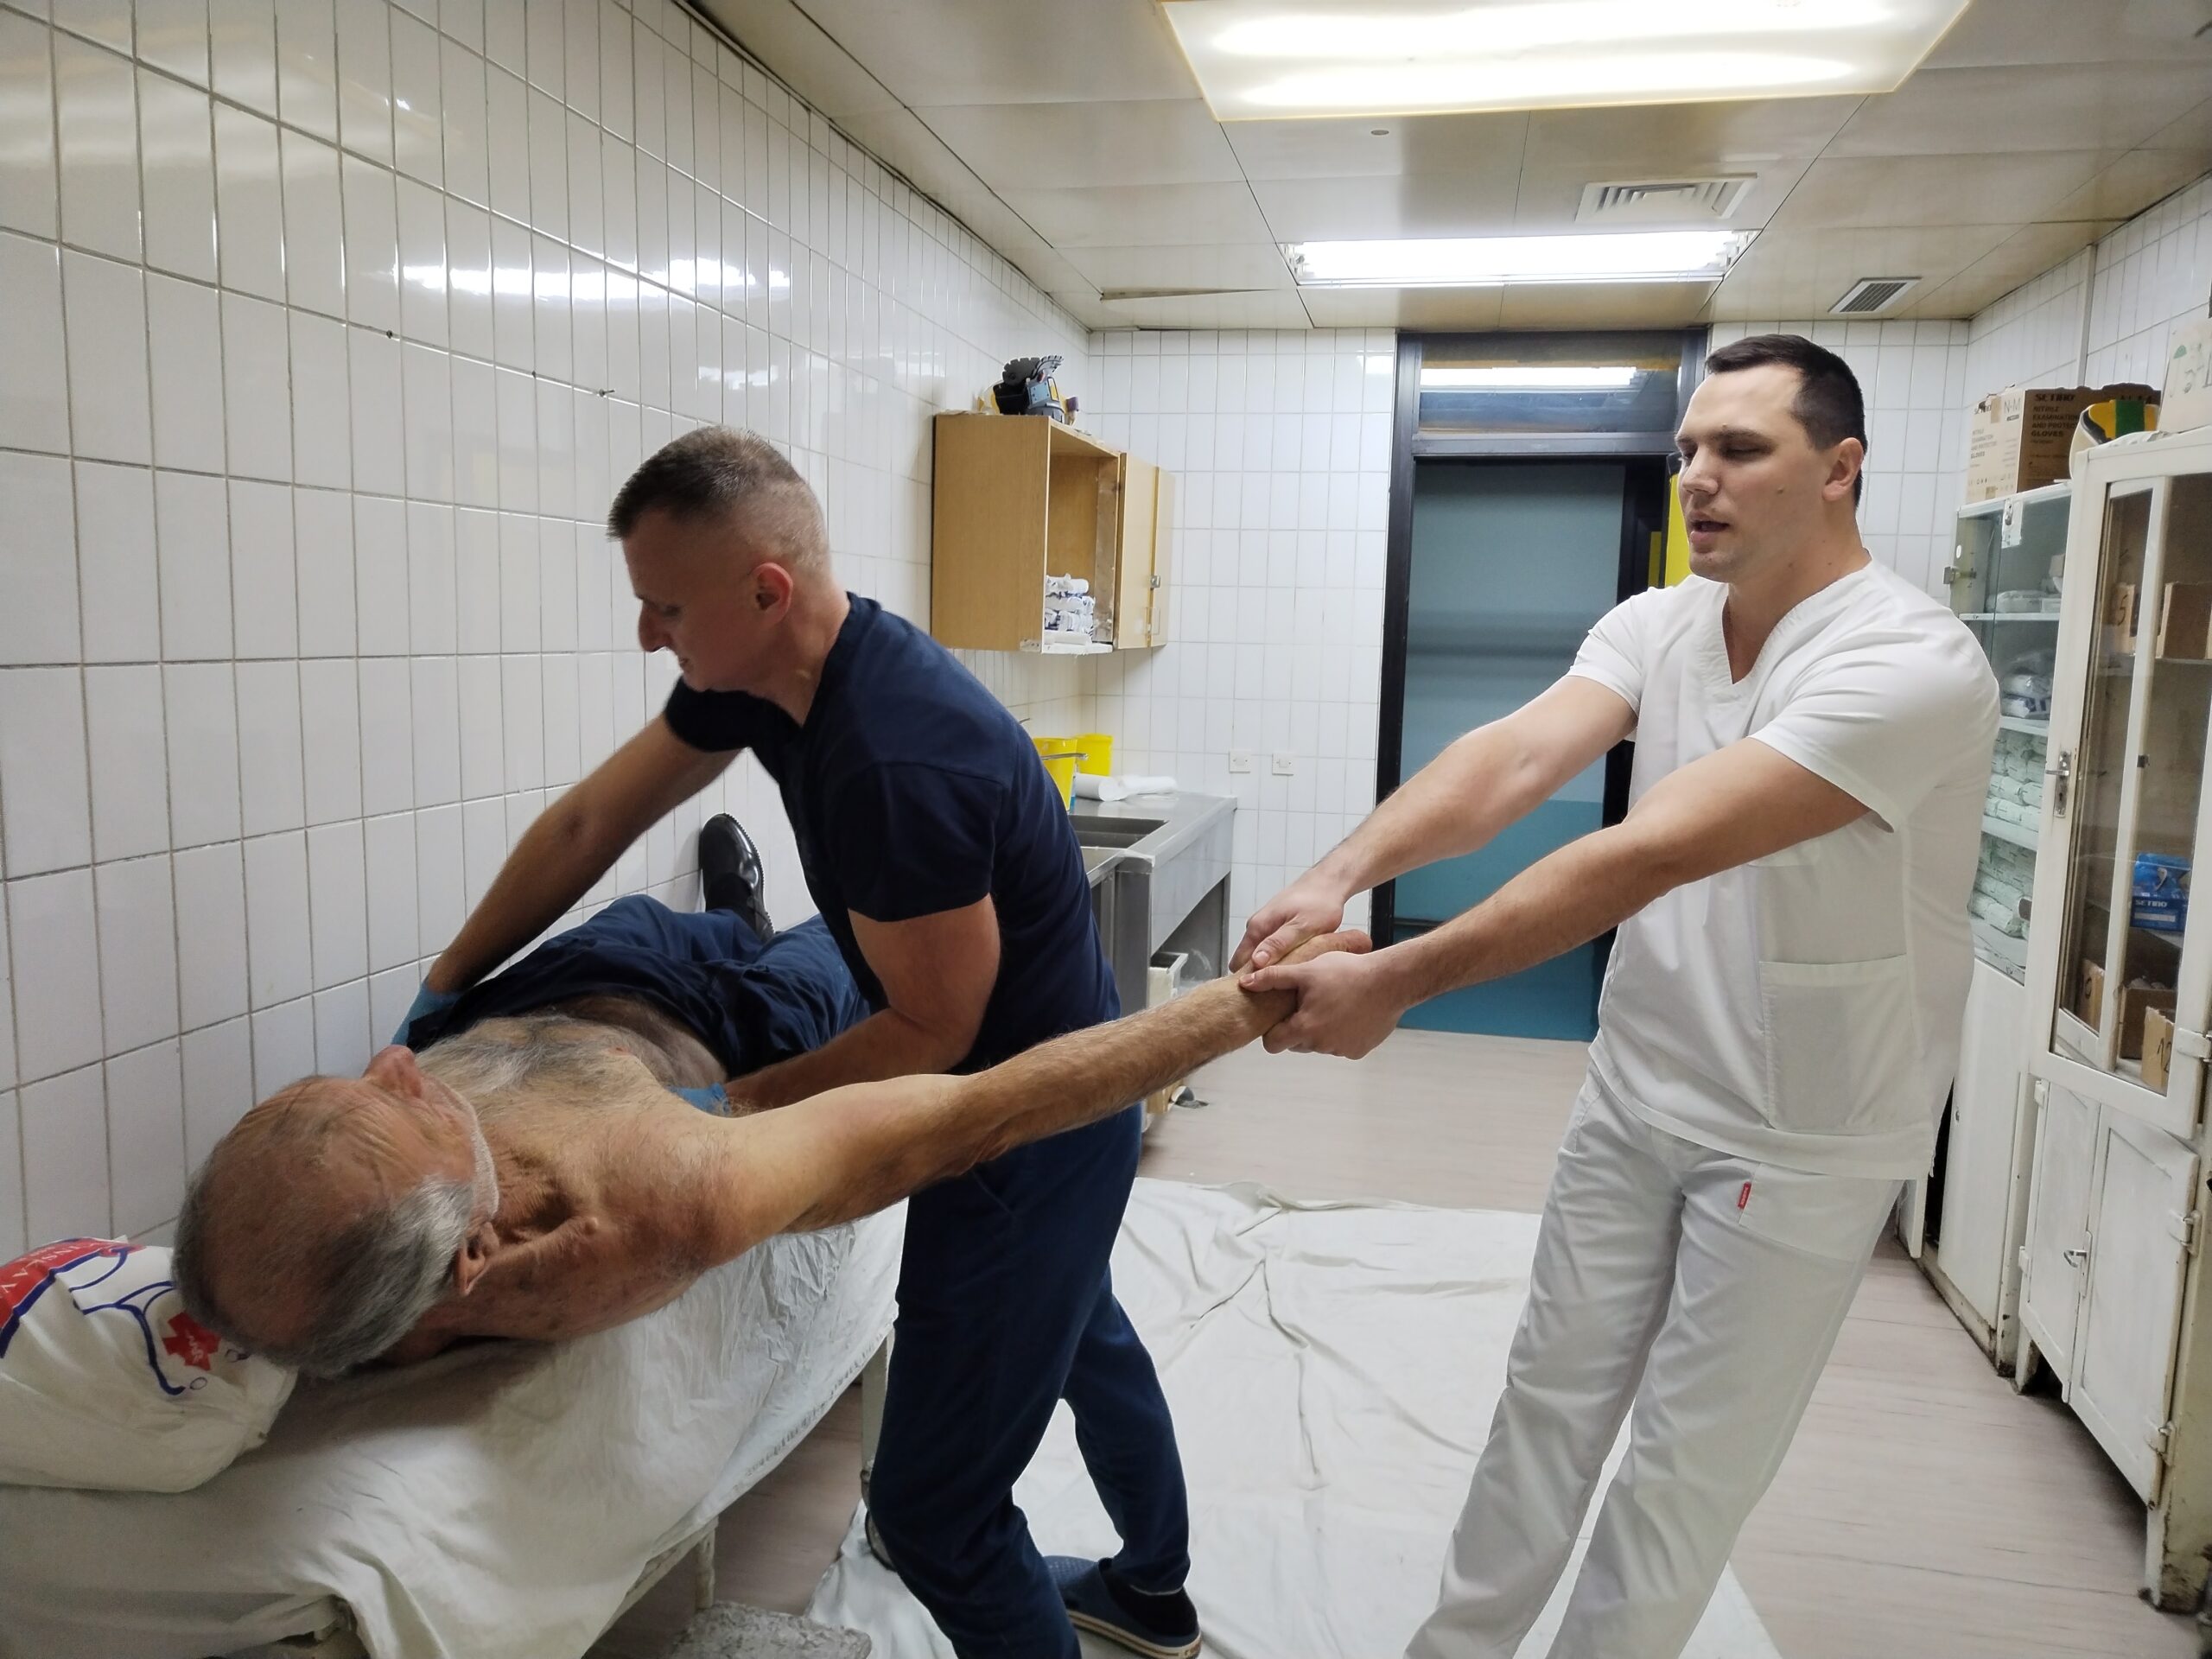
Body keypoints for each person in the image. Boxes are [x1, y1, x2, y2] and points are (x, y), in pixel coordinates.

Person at [1236, 334, 1999, 1659]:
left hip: (1800, 1126)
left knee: (1682, 1471)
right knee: (1546, 1404)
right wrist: (1335, 874)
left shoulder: (1907, 662)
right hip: (1637, 1084)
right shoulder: (1663, 623)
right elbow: (1514, 759)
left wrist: (1398, 980)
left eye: (1741, 449)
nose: (1699, 477)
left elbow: (1652, 850)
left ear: (1841, 469)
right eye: (1689, 448)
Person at [395, 426, 1198, 1659]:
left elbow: (932, 1029)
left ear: (766, 592)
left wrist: (728, 1115)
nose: (647, 635)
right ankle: (1150, 1591)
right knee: (1082, 1326)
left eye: (667, 608)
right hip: (1034, 1078)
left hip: (1023, 1123)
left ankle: (1111, 1585)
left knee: (934, 1517)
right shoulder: (769, 675)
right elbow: (593, 821)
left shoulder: (894, 760)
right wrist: (448, 984)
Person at [171, 903, 1361, 1381]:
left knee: (666, 917)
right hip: (722, 1043)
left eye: (363, 1085)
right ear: (474, 1255)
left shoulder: (296, 1242)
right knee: (830, 944)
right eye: (410, 1105)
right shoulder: (663, 1195)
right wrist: (1244, 1005)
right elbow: (977, 1112)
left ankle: (724, 909)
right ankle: (764, 926)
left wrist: (440, 1000)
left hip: (566, 985)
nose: (394, 1067)